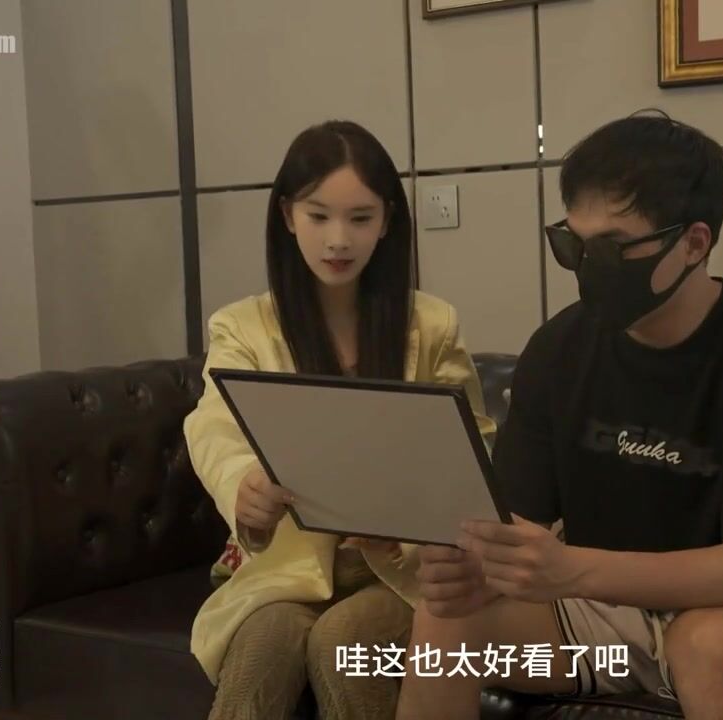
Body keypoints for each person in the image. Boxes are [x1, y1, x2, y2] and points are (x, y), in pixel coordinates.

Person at [395, 112, 723, 720]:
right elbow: (520, 518)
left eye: (611, 248)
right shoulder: (558, 348)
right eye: (572, 245)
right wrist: (474, 565)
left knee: (709, 645)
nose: (587, 268)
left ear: (695, 243)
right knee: (444, 618)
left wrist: (571, 569)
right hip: (598, 607)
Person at [185, 119, 496, 720]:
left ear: (387, 222)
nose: (338, 240)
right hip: (288, 565)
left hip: (401, 571)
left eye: (360, 218)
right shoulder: (242, 327)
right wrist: (244, 486)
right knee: (263, 647)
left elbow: (474, 450)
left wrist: (408, 527)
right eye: (318, 216)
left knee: (342, 643)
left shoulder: (431, 325)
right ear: (287, 216)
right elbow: (214, 426)